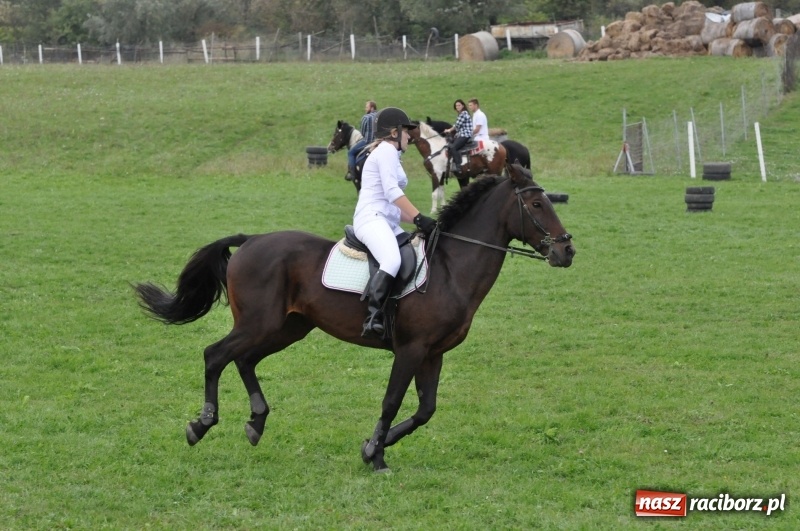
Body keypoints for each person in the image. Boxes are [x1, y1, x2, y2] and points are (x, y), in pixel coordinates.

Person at [353, 107, 437, 338]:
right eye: (406, 131)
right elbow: (391, 192)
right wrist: (419, 217)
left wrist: (422, 223)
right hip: (371, 219)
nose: (410, 136)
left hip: (386, 219)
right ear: (393, 133)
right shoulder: (386, 152)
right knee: (391, 259)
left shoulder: (392, 155)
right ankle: (373, 316)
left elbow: (393, 207)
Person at [346, 100, 378, 181]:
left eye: (367, 107)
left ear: (372, 108)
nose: (365, 109)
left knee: (351, 153)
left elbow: (363, 132)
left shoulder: (366, 117)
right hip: (379, 142)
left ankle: (352, 174)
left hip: (367, 142)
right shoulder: (380, 116)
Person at [444, 99, 473, 170]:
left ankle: (458, 165)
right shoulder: (461, 114)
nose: (457, 107)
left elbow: (457, 125)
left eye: (459, 105)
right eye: (456, 106)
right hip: (461, 134)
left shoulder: (463, 113)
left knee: (453, 147)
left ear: (463, 106)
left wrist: (449, 130)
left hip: (465, 135)